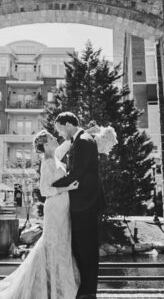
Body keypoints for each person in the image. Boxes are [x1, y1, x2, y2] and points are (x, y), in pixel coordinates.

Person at [0, 129, 80, 298]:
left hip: (63, 208)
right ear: (45, 144)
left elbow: (66, 145)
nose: (55, 138)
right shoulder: (47, 163)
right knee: (53, 245)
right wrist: (68, 187)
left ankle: (59, 288)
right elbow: (45, 190)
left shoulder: (55, 157)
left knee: (62, 244)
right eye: (52, 138)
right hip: (55, 209)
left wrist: (81, 133)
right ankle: (50, 290)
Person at [52, 112, 105, 299]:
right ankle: (86, 289)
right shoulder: (83, 139)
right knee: (83, 246)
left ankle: (88, 291)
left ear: (67, 124)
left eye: (59, 129)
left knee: (85, 247)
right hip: (85, 201)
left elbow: (78, 172)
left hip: (85, 202)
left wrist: (53, 185)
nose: (60, 134)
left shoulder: (82, 141)